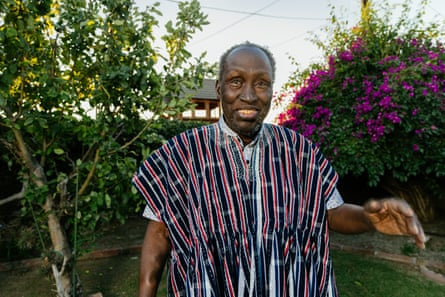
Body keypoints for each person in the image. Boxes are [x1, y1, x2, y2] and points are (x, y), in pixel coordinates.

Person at [132, 42, 426, 297]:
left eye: (261, 83)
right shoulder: (181, 154)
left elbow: (331, 213)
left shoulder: (300, 152)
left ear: (272, 89)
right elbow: (159, 234)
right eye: (236, 81)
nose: (249, 95)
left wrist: (370, 218)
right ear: (219, 88)